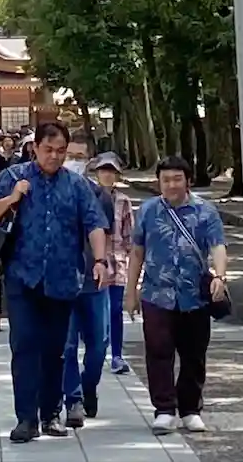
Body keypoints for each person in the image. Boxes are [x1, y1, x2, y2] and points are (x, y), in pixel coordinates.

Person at [0, 121, 109, 445]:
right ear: (34, 148)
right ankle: (26, 418)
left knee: (56, 349)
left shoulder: (77, 185)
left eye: (60, 151)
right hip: (22, 276)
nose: (54, 156)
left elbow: (94, 223)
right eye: (48, 150)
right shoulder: (14, 176)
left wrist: (99, 260)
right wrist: (12, 198)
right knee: (25, 345)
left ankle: (51, 413)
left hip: (62, 278)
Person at [125, 154, 229, 435]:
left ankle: (191, 409)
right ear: (158, 182)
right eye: (166, 180)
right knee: (158, 351)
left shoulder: (205, 211)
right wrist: (130, 291)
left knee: (194, 354)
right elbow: (137, 252)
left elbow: (218, 246)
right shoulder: (148, 211)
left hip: (194, 295)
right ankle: (164, 410)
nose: (171, 185)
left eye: (177, 179)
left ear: (188, 181)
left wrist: (220, 276)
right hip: (156, 293)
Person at [60, 134, 113, 427]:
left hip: (94, 280)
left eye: (80, 157)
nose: (74, 162)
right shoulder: (51, 192)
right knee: (67, 345)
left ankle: (88, 384)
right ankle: (74, 399)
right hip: (62, 281)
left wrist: (104, 265)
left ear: (89, 161)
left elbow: (107, 234)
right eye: (70, 155)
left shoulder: (99, 195)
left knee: (99, 343)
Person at [90, 152, 136, 375]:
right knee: (96, 310)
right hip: (94, 262)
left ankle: (117, 354)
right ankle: (96, 351)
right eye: (103, 170)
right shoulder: (88, 197)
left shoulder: (123, 201)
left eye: (111, 171)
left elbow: (130, 236)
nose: (107, 175)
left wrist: (133, 264)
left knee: (115, 309)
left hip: (117, 262)